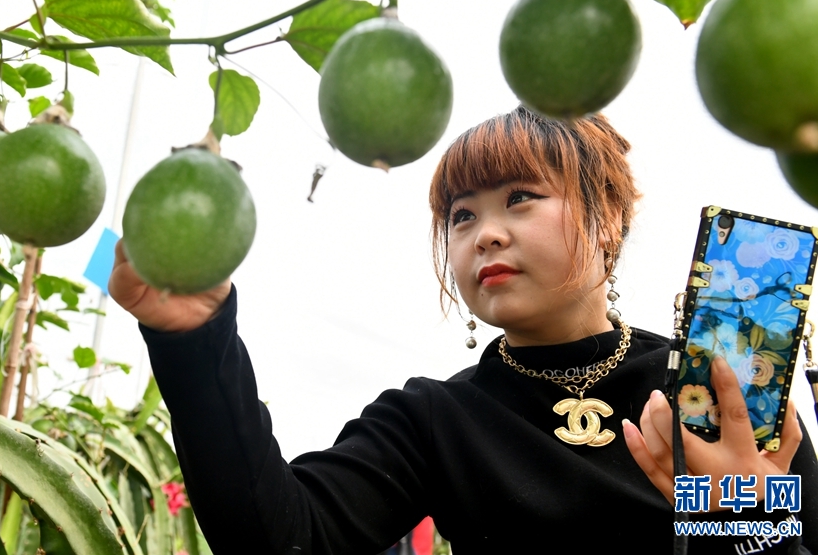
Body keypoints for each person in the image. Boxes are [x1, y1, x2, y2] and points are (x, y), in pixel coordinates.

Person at [109, 106, 818, 554]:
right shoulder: (434, 418)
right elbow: (283, 535)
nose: (485, 234)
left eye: (520, 198)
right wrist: (194, 343)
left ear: (606, 218)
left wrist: (743, 517)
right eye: (462, 215)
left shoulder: (719, 389)